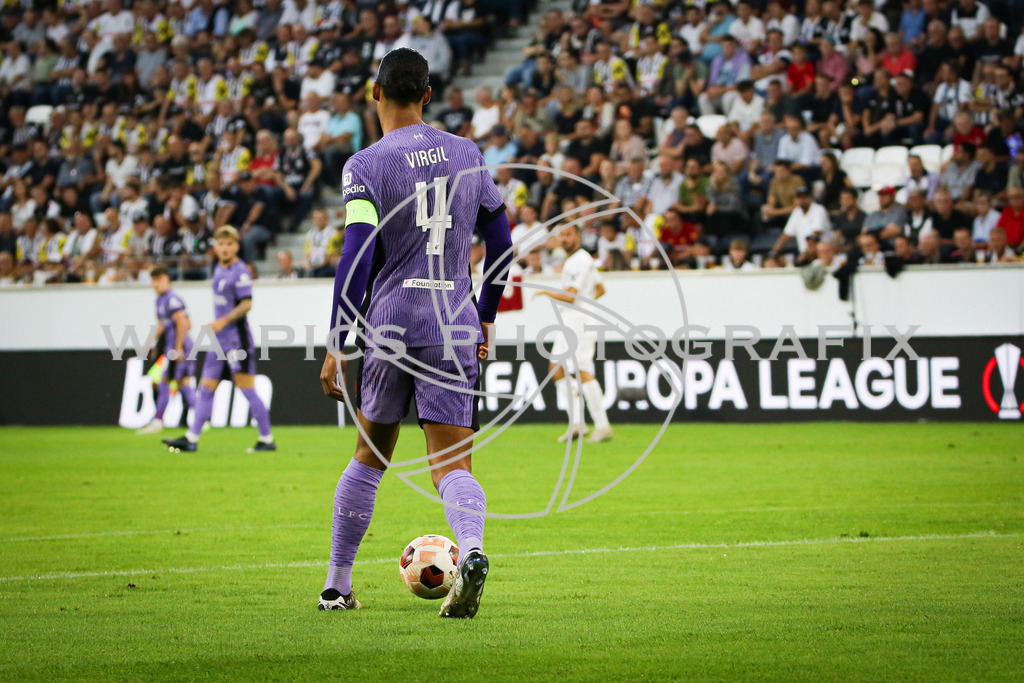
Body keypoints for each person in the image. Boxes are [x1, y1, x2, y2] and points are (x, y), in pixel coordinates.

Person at [316, 49, 513, 618]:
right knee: (453, 463)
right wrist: (486, 315)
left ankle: (337, 584)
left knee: (370, 454)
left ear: (375, 94)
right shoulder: (467, 155)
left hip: (391, 320)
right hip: (453, 320)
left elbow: (356, 253)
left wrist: (337, 341)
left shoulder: (366, 165)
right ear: (427, 95)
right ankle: (471, 553)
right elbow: (500, 244)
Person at [161, 226, 275, 453]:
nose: (224, 249)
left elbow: (246, 303)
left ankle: (267, 438)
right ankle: (192, 439)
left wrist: (224, 321)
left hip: (236, 340)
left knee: (247, 389)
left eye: (229, 244)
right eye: (221, 244)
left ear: (236, 247)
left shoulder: (240, 271)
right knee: (205, 389)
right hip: (218, 342)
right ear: (215, 247)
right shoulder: (218, 269)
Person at [534, 223, 612, 444]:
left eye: (569, 234)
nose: (565, 238)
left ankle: (603, 425)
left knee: (581, 370)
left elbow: (570, 296)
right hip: (573, 319)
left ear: (578, 236)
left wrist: (545, 292)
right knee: (557, 369)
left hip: (579, 321)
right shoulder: (582, 259)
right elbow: (600, 289)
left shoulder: (578, 260)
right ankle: (578, 424)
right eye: (562, 235)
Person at [138, 265, 197, 434]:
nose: (156, 284)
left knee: (164, 381)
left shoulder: (173, 299)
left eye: (159, 280)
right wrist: (152, 342)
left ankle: (158, 421)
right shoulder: (159, 300)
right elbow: (161, 325)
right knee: (183, 383)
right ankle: (203, 418)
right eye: (153, 280)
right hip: (173, 346)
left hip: (180, 346)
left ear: (166, 279)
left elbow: (184, 323)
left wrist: (178, 347)